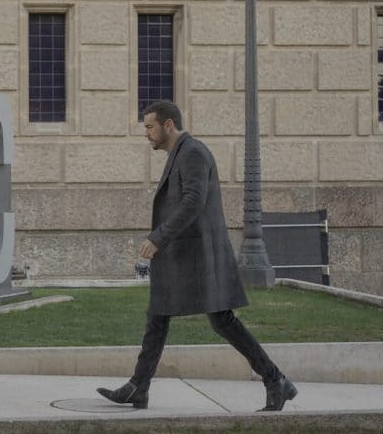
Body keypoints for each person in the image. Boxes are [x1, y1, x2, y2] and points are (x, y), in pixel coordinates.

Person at [97, 100, 297, 412]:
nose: (146, 133)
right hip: (183, 255)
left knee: (222, 322)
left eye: (149, 127)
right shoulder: (181, 153)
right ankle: (139, 387)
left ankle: (276, 380)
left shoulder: (193, 153)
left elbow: (193, 201)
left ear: (168, 125)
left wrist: (158, 236)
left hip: (199, 256)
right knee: (157, 316)